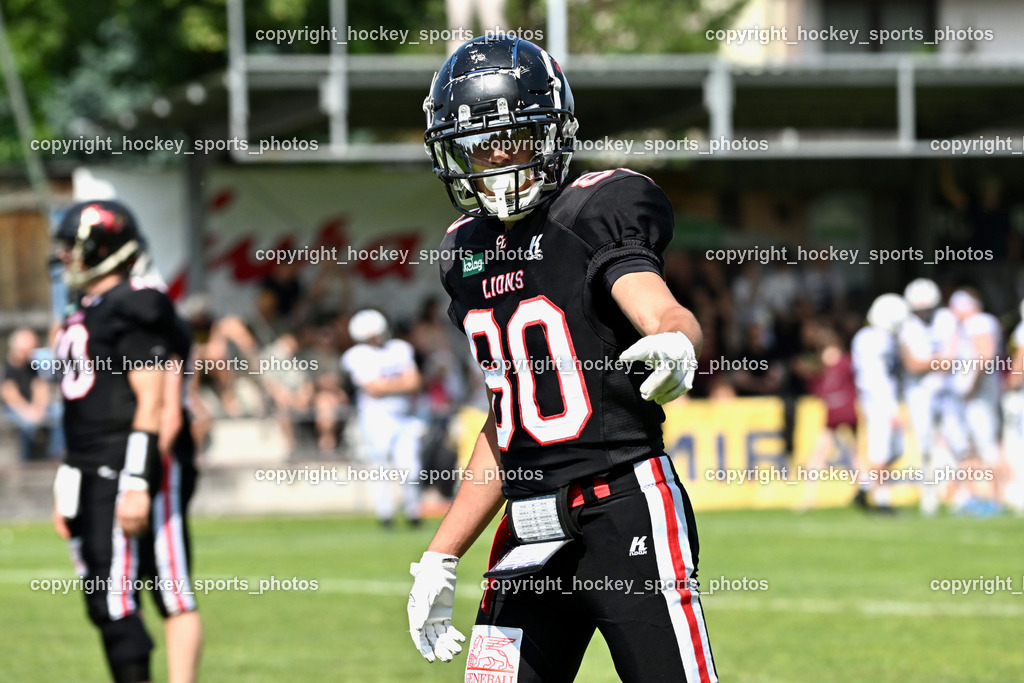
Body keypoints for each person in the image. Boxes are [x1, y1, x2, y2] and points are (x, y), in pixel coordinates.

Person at [408, 37, 716, 682]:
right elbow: (507, 419)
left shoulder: (592, 209)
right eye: (476, 143)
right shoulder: (464, 250)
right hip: (529, 520)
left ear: (548, 134)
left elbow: (661, 309)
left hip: (622, 502)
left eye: (509, 138)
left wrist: (676, 340)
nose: (492, 157)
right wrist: (440, 555)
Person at [49, 200, 202, 683]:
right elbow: (82, 405)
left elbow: (157, 400)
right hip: (90, 465)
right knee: (104, 594)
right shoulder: (86, 309)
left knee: (147, 592)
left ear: (100, 247)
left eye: (72, 248)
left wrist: (140, 477)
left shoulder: (138, 303)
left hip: (129, 461)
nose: (64, 258)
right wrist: (67, 475)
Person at [341, 309, 424, 527]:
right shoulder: (356, 355)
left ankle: (413, 511)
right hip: (375, 417)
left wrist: (388, 385)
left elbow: (414, 382)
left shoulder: (400, 348)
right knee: (380, 465)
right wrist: (400, 383)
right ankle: (385, 514)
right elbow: (373, 388)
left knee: (411, 466)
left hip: (404, 414)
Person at [898, 278, 957, 516]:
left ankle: (959, 493)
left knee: (956, 440)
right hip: (919, 391)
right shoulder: (907, 326)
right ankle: (929, 494)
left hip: (947, 388)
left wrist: (931, 363)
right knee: (924, 445)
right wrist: (938, 361)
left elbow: (953, 357)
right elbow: (912, 364)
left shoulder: (946, 319)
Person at [946, 288, 1003, 515]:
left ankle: (995, 499)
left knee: (986, 446)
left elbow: (985, 355)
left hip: (978, 395)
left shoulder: (978, 322)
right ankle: (975, 496)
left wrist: (972, 385)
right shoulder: (968, 326)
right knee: (969, 448)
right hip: (970, 396)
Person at [851, 294, 909, 513]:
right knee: (882, 452)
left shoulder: (873, 337)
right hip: (879, 400)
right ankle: (883, 501)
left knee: (895, 451)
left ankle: (864, 488)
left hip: (880, 399)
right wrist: (891, 407)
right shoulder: (874, 339)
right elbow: (878, 378)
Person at [2, 328, 63, 460]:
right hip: (15, 409)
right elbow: (10, 393)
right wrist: (27, 412)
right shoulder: (9, 367)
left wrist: (38, 408)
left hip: (33, 408)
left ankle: (56, 455)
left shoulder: (33, 365)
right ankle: (27, 462)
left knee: (60, 413)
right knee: (26, 425)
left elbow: (40, 386)